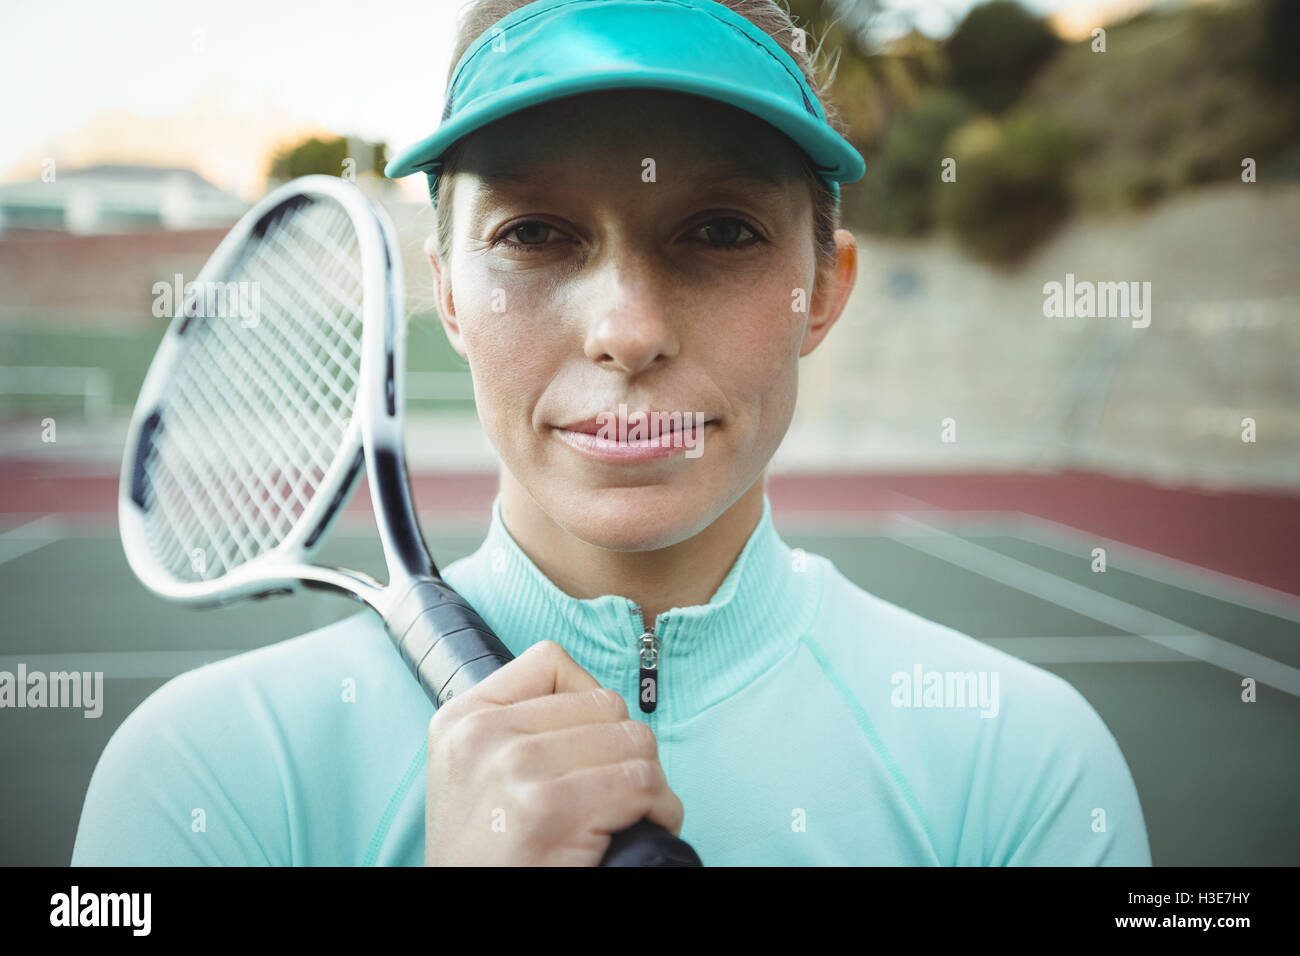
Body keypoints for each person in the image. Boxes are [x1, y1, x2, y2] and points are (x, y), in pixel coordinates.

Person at [72, 0, 1151, 866]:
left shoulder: (1025, 766)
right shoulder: (201, 776)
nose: (626, 331)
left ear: (822, 290)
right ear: (448, 295)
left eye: (719, 230)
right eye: (533, 233)